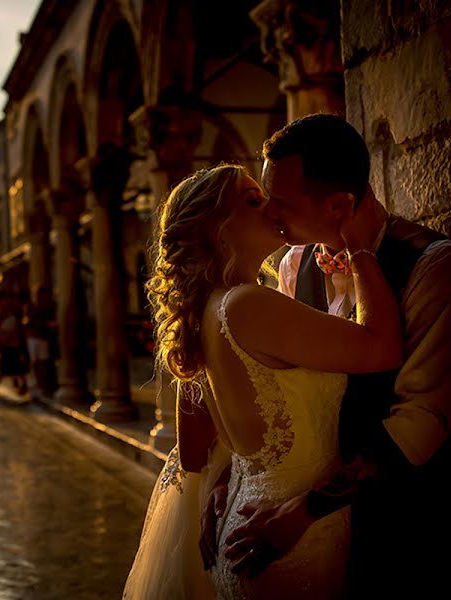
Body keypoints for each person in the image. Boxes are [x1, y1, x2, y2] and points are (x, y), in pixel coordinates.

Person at [200, 114, 451, 599]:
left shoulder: (435, 264)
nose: (269, 214)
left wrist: (302, 512)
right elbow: (275, 388)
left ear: (338, 205)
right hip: (307, 530)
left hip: (403, 522)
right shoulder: (292, 263)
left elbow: (423, 418)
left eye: (279, 204)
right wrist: (230, 474)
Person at [125, 160, 404, 599]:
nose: (272, 207)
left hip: (248, 519)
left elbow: (195, 436)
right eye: (254, 200)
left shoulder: (206, 312)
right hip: (289, 543)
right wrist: (360, 247)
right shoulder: (247, 305)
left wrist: (217, 486)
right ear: (216, 229)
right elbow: (381, 347)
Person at [0, 298, 28, 396]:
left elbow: (7, 336)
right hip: (8, 348)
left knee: (12, 368)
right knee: (11, 369)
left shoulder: (11, 320)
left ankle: (23, 386)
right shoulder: (6, 320)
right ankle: (22, 386)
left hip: (11, 348)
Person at [24, 286, 57, 398]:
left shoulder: (48, 307)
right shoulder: (30, 306)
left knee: (43, 363)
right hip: (33, 338)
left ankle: (44, 386)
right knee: (35, 363)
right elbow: (26, 321)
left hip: (43, 338)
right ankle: (38, 385)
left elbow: (52, 324)